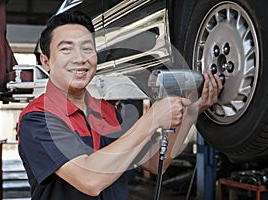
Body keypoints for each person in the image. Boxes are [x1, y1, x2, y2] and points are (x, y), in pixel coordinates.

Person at [17, 10, 223, 200]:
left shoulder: (108, 112)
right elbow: (90, 180)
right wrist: (151, 119)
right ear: (46, 62)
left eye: (87, 48)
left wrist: (192, 111)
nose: (80, 59)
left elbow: (153, 163)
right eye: (66, 49)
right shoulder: (37, 119)